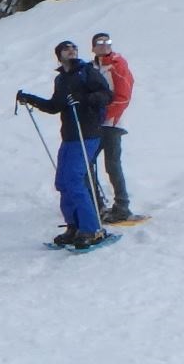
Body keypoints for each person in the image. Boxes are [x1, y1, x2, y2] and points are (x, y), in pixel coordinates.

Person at [16, 41, 112, 248]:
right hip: (70, 135)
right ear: (59, 55)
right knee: (63, 182)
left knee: (74, 180)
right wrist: (29, 99)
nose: (72, 51)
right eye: (67, 49)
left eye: (74, 48)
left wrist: (84, 99)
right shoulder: (61, 79)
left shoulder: (86, 72)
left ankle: (92, 228)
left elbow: (106, 95)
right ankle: (74, 226)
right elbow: (54, 106)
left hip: (87, 133)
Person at [89, 32, 135, 223]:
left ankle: (122, 206)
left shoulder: (117, 65)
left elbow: (123, 96)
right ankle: (95, 203)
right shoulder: (91, 67)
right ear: (93, 47)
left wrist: (105, 115)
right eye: (99, 43)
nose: (104, 46)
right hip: (94, 123)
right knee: (87, 162)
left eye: (107, 42)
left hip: (112, 124)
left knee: (112, 164)